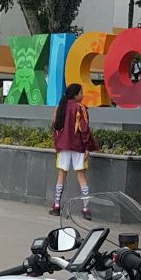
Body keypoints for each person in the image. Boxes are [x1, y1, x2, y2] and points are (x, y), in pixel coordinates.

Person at [50, 83, 98, 218]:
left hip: (63, 146)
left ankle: (57, 205)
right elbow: (84, 129)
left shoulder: (60, 107)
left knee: (61, 175)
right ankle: (86, 209)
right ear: (75, 95)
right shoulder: (80, 108)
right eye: (81, 93)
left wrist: (57, 144)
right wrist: (87, 146)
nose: (83, 95)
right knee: (81, 176)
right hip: (78, 146)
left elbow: (55, 128)